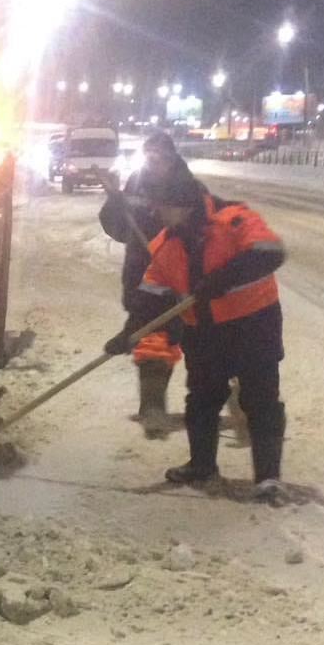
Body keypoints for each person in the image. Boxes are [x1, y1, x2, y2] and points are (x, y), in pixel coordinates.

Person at [104, 166, 287, 500]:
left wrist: (223, 278)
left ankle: (268, 478)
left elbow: (270, 253)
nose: (155, 212)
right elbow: (150, 297)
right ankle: (202, 466)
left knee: (260, 400)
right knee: (202, 399)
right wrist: (128, 334)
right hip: (204, 332)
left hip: (254, 326)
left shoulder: (233, 219)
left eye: (160, 205)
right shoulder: (166, 245)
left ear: (181, 204)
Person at [98, 131, 203, 437]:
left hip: (179, 275)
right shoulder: (135, 183)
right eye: (150, 154)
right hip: (141, 271)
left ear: (172, 157)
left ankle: (237, 401)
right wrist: (115, 203)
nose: (155, 161)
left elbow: (203, 231)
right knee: (151, 336)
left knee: (203, 343)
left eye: (161, 155)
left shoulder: (189, 188)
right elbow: (118, 228)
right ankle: (154, 407)